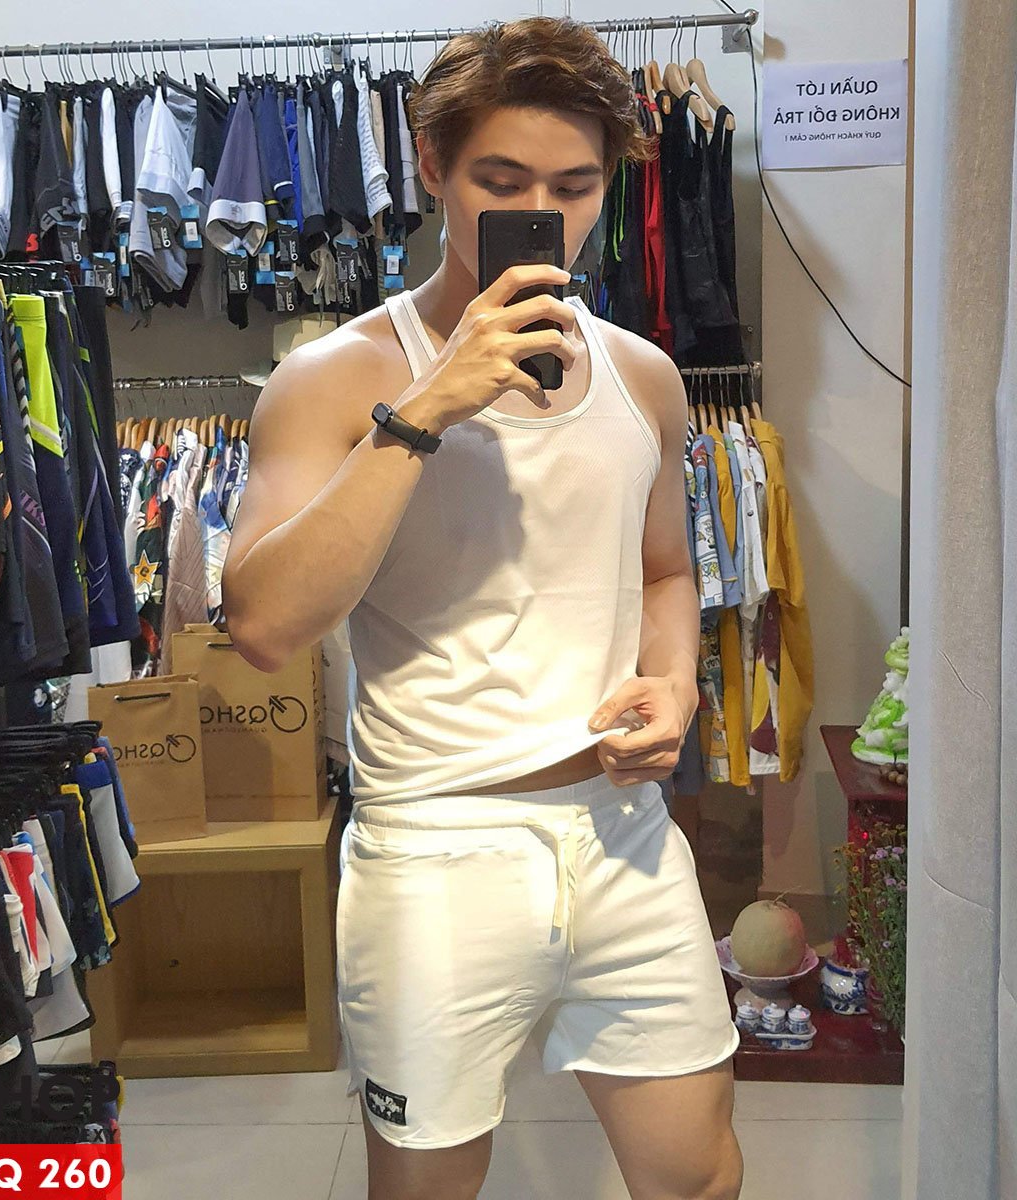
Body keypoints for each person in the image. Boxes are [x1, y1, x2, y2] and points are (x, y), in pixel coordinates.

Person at [222, 16, 744, 1200]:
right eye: (501, 183)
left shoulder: (644, 376)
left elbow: (666, 572)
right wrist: (425, 409)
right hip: (434, 849)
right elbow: (262, 626)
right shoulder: (335, 379)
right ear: (431, 167)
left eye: (574, 187)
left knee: (698, 1175)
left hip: (623, 834)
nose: (540, 213)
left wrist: (674, 684)